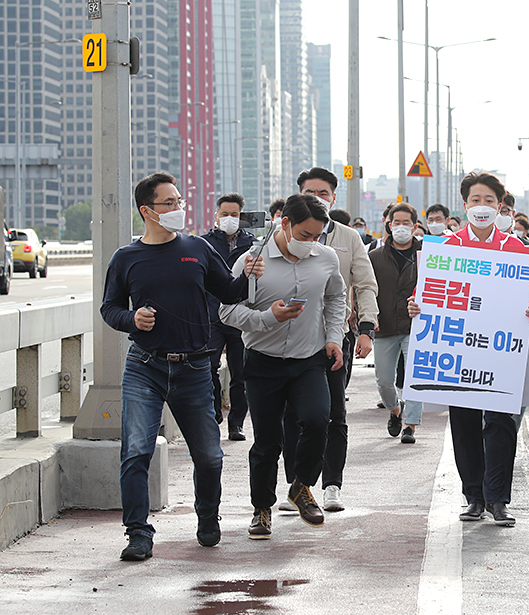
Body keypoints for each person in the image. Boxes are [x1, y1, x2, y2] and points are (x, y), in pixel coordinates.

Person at [100, 172, 264, 561]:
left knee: (209, 455)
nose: (178, 209)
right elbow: (109, 308)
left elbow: (228, 290)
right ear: (147, 211)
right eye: (169, 203)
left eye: (180, 202)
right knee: (136, 451)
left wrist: (249, 275)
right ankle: (138, 532)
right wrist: (132, 319)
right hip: (145, 366)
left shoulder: (197, 249)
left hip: (194, 367)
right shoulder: (126, 258)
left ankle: (207, 516)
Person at [408, 171, 529, 526]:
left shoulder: (518, 249)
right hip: (461, 351)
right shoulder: (448, 249)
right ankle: (473, 496)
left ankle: (498, 498)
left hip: (500, 353)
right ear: (465, 204)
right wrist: (416, 304)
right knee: (465, 422)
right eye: (475, 200)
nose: (482, 207)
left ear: (500, 206)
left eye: (489, 201)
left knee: (501, 423)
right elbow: (427, 292)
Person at [220, 193, 346, 540]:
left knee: (319, 420)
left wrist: (334, 336)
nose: (312, 243)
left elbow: (336, 297)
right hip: (263, 362)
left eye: (318, 236)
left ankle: (302, 486)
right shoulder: (252, 260)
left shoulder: (326, 258)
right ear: (285, 223)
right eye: (305, 235)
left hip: (309, 359)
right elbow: (227, 311)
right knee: (267, 442)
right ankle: (261, 509)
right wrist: (267, 318)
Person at [280, 167, 378, 513]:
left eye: (323, 193)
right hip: (291, 338)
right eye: (310, 192)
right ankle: (298, 485)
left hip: (336, 338)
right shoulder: (281, 234)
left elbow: (365, 283)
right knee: (293, 415)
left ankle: (332, 484)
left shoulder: (348, 238)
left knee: (334, 412)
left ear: (333, 197)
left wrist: (366, 327)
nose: (317, 198)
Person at [201, 192, 255, 441]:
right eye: (225, 214)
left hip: (239, 316)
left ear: (241, 217)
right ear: (216, 216)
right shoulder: (204, 243)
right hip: (211, 316)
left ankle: (237, 423)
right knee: (208, 368)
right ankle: (214, 414)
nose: (229, 219)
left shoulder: (253, 245)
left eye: (234, 215)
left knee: (240, 372)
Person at [369, 202, 423, 444]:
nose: (401, 227)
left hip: (418, 326)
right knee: (383, 381)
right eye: (396, 222)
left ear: (415, 225)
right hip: (385, 326)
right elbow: (366, 290)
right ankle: (395, 409)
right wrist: (367, 319)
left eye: (406, 222)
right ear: (388, 225)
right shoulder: (374, 257)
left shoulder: (428, 256)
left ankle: (410, 425)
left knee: (415, 376)